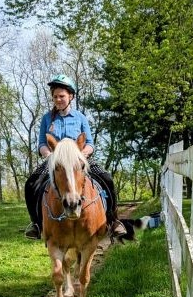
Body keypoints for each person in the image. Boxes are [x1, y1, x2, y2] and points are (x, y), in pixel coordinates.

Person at [24, 74, 126, 239]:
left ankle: (114, 220)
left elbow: (90, 143)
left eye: (62, 96)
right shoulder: (46, 119)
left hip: (79, 160)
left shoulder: (80, 118)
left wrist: (81, 154)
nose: (58, 99)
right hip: (55, 161)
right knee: (31, 183)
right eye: (55, 96)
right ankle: (36, 223)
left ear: (70, 96)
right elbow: (42, 143)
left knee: (106, 178)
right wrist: (50, 155)